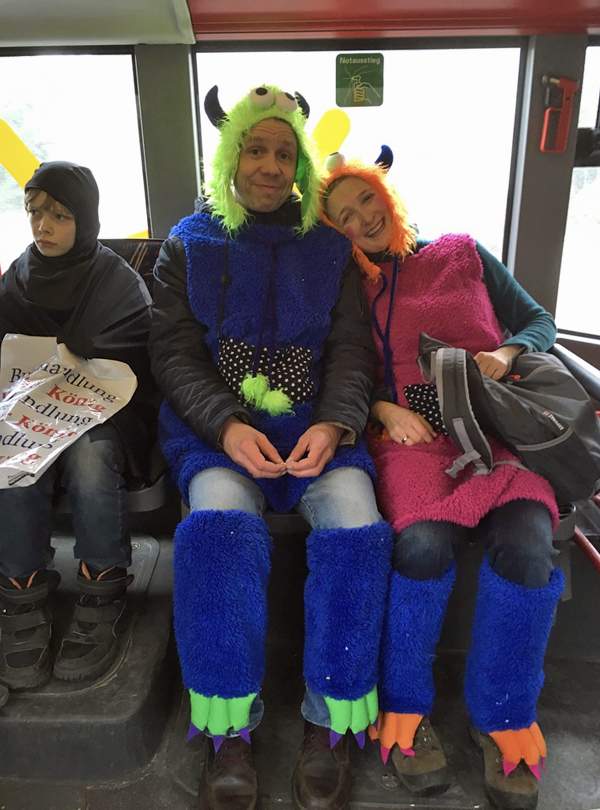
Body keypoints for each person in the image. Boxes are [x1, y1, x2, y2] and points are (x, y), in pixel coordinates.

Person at [149, 85, 392, 810]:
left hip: (318, 431)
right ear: (232, 156)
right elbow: (173, 353)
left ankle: (331, 719)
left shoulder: (332, 249)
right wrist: (225, 426)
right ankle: (229, 728)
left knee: (358, 532)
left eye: (284, 154)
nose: (269, 165)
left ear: (300, 166)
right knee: (216, 530)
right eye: (255, 149)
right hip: (217, 433)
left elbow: (352, 350)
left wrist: (335, 425)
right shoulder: (186, 244)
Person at [321, 150, 564, 810]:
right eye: (344, 216)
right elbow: (342, 368)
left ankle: (504, 713)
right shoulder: (351, 288)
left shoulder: (464, 252)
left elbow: (538, 320)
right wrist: (383, 409)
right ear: (337, 232)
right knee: (422, 546)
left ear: (387, 195)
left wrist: (506, 351)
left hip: (495, 429)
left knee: (530, 544)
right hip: (413, 439)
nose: (363, 218)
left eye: (366, 200)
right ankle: (406, 708)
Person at [0, 161, 154, 690]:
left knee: (91, 459)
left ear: (84, 220)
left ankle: (102, 585)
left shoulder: (118, 282)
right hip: (36, 411)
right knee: (14, 454)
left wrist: (73, 366)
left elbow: (139, 363)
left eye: (60, 216)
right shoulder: (17, 278)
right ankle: (21, 587)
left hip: (107, 415)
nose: (43, 226)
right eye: (34, 213)